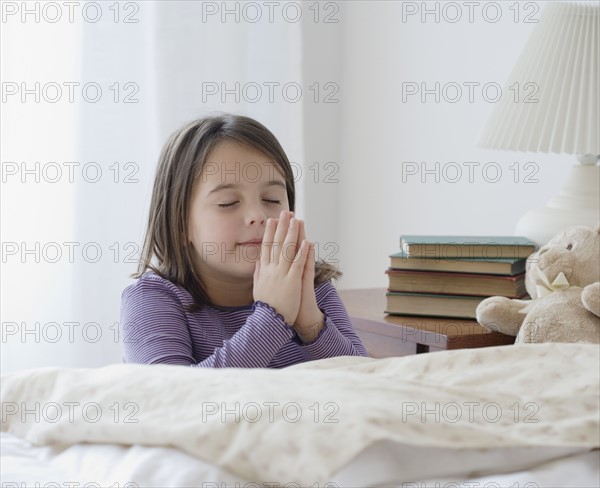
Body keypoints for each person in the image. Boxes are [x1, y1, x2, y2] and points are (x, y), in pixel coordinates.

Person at [120, 113, 368, 367]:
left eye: (272, 199)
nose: (257, 216)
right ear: (180, 224)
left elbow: (364, 382)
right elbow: (176, 397)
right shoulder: (152, 300)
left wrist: (311, 323)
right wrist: (274, 316)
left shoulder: (311, 287)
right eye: (228, 203)